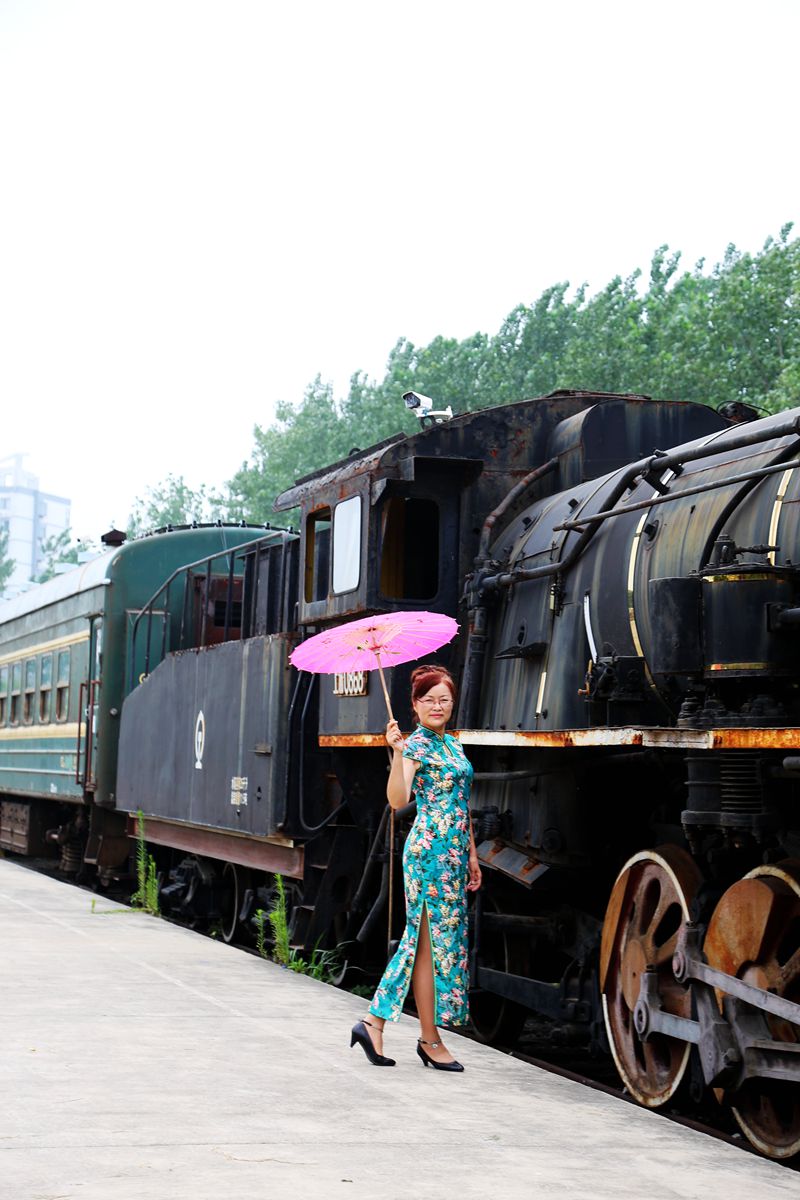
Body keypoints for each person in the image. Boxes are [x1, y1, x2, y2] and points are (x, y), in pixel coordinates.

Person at [350, 664, 482, 1071]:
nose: (437, 706)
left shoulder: (454, 745)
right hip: (428, 855)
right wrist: (397, 752)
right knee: (421, 944)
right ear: (415, 704)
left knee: (435, 948)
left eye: (444, 699)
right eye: (429, 700)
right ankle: (401, 1029)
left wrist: (472, 856)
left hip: (453, 856)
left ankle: (400, 1031)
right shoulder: (416, 746)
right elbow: (397, 800)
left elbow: (462, 804)